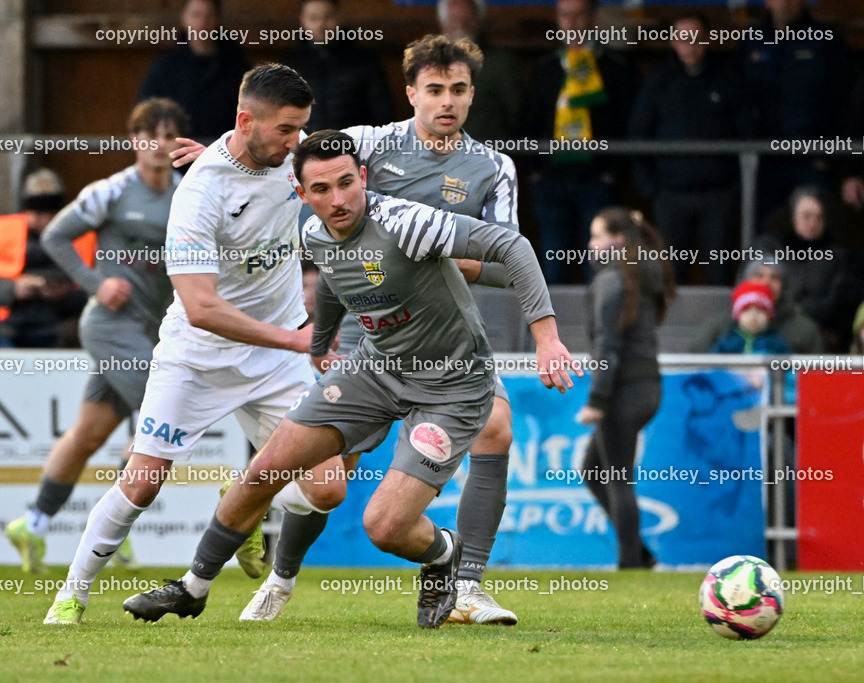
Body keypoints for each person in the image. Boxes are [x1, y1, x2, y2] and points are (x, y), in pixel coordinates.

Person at [120, 129, 579, 629]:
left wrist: (547, 338)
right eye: (321, 190)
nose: (337, 200)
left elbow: (512, 245)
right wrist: (321, 345)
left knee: (384, 526)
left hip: (451, 384)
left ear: (362, 176)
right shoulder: (314, 234)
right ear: (302, 194)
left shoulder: (408, 223)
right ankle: (193, 587)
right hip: (374, 370)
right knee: (266, 469)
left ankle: (445, 553)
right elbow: (340, 282)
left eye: (345, 183)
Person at [42, 64, 350, 626]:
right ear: (246, 120)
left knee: (328, 489)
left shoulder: (297, 155)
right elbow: (203, 308)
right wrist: (295, 338)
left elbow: (352, 157)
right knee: (142, 480)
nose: (295, 141)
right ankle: (72, 595)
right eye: (285, 129)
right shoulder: (200, 192)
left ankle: (246, 506)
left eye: (300, 128)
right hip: (198, 355)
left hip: (275, 359)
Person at [243, 34, 522, 626]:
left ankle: (465, 585)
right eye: (434, 90)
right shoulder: (371, 144)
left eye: (458, 90)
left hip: (439, 338)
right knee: (323, 482)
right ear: (411, 93)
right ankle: (281, 578)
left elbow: (504, 262)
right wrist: (226, 156)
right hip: (365, 335)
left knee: (496, 426)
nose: (446, 102)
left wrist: (436, 255)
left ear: (472, 94)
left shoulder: (494, 168)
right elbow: (297, 154)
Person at [3, 99, 189, 574]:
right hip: (110, 327)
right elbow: (55, 237)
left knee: (87, 435)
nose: (160, 146)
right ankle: (110, 530)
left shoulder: (188, 193)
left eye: (169, 137)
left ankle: (34, 523)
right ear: (134, 141)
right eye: (150, 136)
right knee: (162, 415)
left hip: (150, 328)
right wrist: (96, 284)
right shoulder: (112, 191)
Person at [577, 208, 674, 569]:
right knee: (594, 470)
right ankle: (641, 554)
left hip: (623, 390)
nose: (590, 245)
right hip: (648, 385)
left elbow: (607, 345)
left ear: (616, 241)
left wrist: (597, 400)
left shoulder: (613, 280)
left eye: (597, 236)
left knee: (617, 479)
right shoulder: (640, 274)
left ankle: (631, 563)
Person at [628, 12, 752, 285]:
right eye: (683, 38)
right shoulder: (659, 82)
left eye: (696, 37)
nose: (690, 44)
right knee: (671, 275)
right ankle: (670, 329)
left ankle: (722, 328)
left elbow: (746, 132)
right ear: (673, 41)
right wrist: (651, 189)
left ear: (706, 39)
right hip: (671, 196)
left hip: (718, 196)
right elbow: (638, 135)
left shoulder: (727, 79)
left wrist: (735, 188)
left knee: (720, 273)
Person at [520, 0, 640, 284]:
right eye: (565, 15)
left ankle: (599, 329)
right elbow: (527, 122)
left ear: (594, 17)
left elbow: (630, 125)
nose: (572, 23)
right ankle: (553, 330)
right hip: (551, 182)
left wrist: (612, 173)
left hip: (598, 181)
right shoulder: (547, 68)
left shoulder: (616, 67)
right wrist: (536, 171)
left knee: (600, 269)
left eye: (579, 14)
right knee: (554, 265)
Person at [737, 0, 850, 225]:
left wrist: (827, 157)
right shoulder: (752, 41)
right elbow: (737, 101)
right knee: (767, 241)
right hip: (765, 162)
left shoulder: (826, 40)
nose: (785, 3)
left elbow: (844, 104)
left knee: (812, 241)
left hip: (811, 161)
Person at [0, 169, 91, 348]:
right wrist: (13, 289)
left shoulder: (83, 236)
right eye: (38, 215)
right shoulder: (2, 230)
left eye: (51, 214)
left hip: (64, 325)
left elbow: (102, 290)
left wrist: (65, 294)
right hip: (9, 326)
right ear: (26, 211)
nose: (45, 221)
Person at [754, 186, 855, 351]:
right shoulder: (768, 246)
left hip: (819, 332)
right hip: (768, 326)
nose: (813, 223)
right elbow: (751, 287)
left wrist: (799, 310)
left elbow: (837, 301)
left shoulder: (838, 255)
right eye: (807, 216)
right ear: (792, 216)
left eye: (819, 217)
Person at [136, 0, 249, 140]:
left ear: (218, 19)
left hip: (224, 152)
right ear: (184, 18)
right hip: (178, 152)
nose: (202, 23)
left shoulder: (235, 64)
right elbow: (147, 111)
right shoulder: (166, 66)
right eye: (196, 15)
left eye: (209, 16)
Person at [282, 0, 394, 132]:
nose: (321, 25)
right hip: (304, 148)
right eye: (313, 18)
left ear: (339, 17)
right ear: (302, 20)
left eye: (327, 17)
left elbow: (383, 114)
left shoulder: (364, 61)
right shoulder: (289, 64)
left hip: (355, 147)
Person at [688, 257, 824, 354]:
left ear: (784, 286)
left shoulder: (804, 329)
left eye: (775, 278)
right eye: (759, 275)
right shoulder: (719, 325)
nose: (766, 282)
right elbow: (693, 364)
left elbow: (819, 376)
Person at [436, 0, 521, 145]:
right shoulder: (426, 66)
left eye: (467, 20)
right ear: (443, 24)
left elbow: (518, 117)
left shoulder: (500, 64)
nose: (461, 26)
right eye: (455, 19)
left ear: (479, 21)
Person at [710, 281, 790, 354]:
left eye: (760, 310)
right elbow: (713, 365)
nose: (753, 316)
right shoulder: (726, 342)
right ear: (737, 316)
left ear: (769, 317)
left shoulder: (776, 344)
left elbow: (787, 365)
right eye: (747, 310)